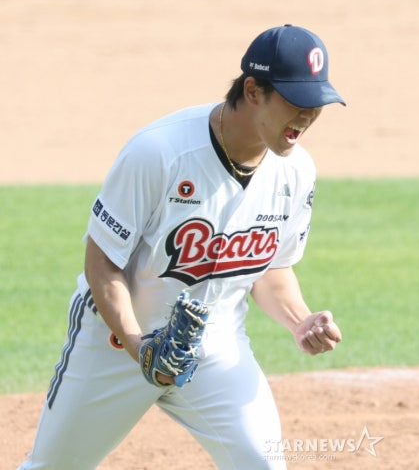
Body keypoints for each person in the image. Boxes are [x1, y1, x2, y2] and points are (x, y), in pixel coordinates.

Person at [19, 24, 344, 470]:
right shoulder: (160, 153)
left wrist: (300, 320)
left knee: (262, 464)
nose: (308, 116)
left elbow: (269, 270)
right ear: (253, 91)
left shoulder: (296, 173)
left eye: (317, 104)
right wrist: (141, 347)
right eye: (296, 101)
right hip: (115, 345)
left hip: (216, 350)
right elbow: (101, 264)